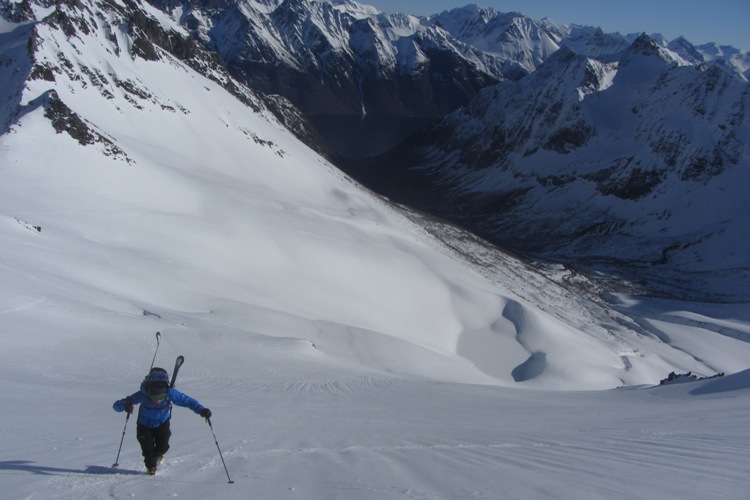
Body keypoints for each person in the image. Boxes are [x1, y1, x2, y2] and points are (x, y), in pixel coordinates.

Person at [113, 367, 212, 475]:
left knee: (163, 447)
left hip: (162, 423)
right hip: (144, 425)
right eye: (154, 398)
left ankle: (158, 456)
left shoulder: (170, 393)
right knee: (148, 450)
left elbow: (186, 401)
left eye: (160, 398)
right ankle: (151, 467)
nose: (156, 401)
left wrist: (202, 410)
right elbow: (116, 406)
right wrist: (125, 405)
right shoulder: (143, 394)